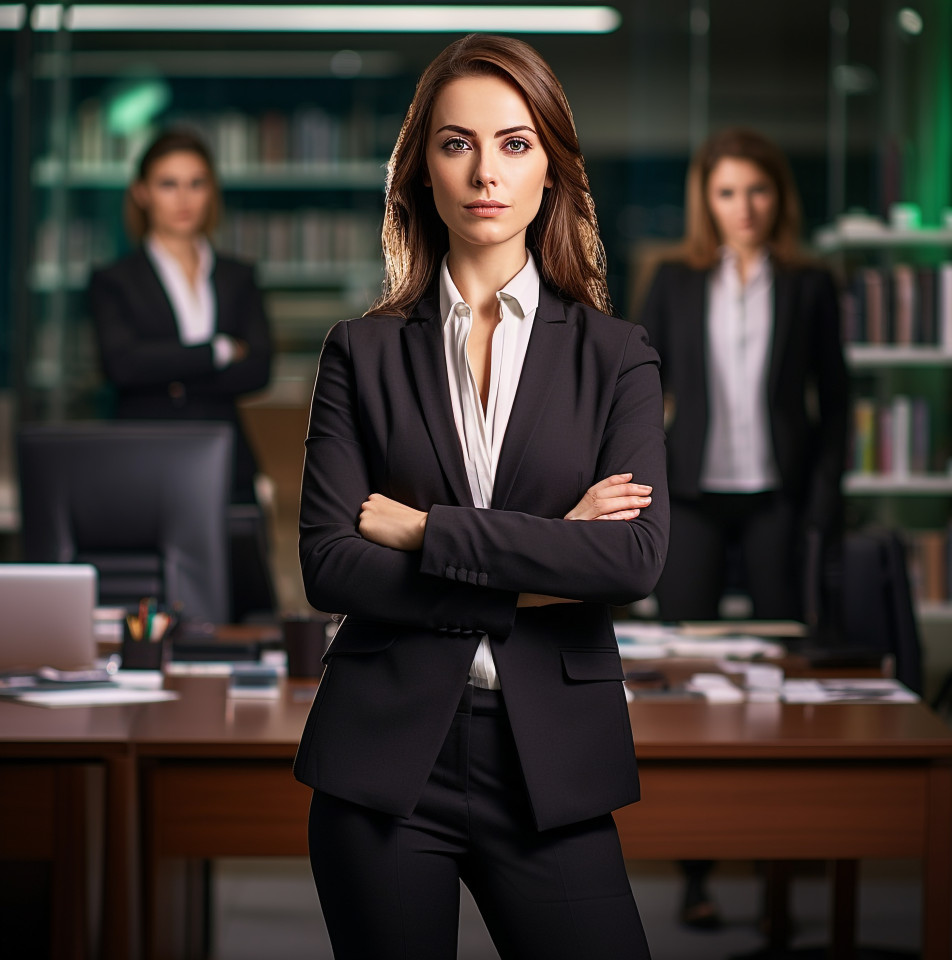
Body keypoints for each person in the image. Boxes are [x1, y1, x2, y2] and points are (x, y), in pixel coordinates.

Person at [295, 34, 669, 960]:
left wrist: (425, 530)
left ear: (552, 170)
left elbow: (629, 559)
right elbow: (332, 564)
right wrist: (543, 557)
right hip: (384, 763)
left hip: (551, 758)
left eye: (514, 142)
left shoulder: (615, 356)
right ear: (422, 169)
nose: (484, 171)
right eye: (457, 143)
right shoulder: (360, 352)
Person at [637, 127, 848, 929]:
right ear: (707, 200)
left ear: (777, 198)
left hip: (776, 500)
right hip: (689, 497)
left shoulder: (811, 284)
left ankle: (778, 878)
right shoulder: (674, 281)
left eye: (757, 191)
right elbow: (638, 396)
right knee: (686, 683)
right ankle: (696, 874)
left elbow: (835, 405)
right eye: (727, 193)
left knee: (780, 688)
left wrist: (821, 504)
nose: (743, 208)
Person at [88, 128, 272, 504]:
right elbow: (121, 365)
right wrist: (217, 352)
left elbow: (259, 368)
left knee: (235, 562)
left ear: (211, 191)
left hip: (227, 459)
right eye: (168, 184)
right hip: (141, 457)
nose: (184, 198)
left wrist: (167, 374)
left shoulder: (238, 276)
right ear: (142, 193)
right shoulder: (113, 280)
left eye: (196, 183)